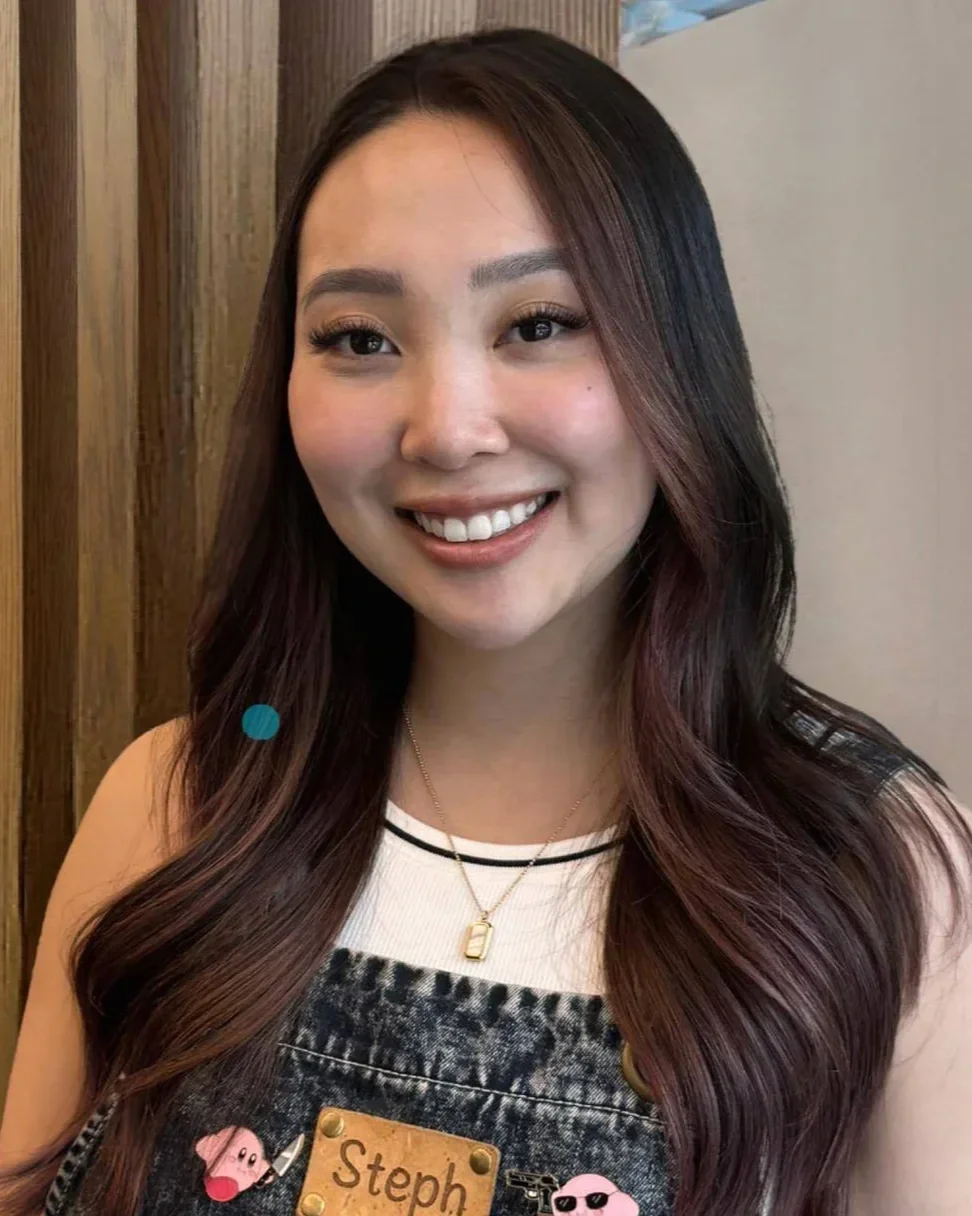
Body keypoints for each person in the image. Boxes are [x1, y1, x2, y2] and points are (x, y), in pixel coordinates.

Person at [1, 25, 970, 1216]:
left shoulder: (884, 872)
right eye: (360, 339)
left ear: (678, 355)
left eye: (540, 322)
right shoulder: (173, 808)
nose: (447, 429)